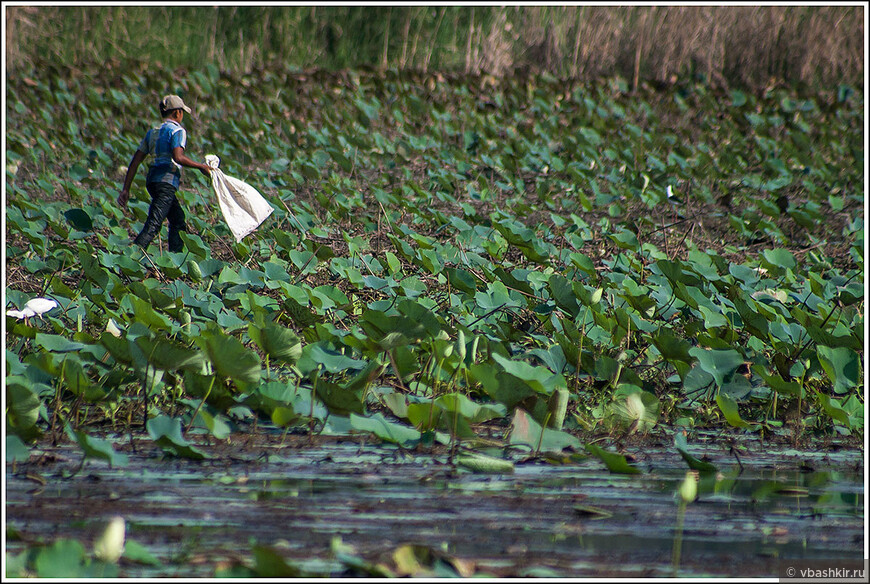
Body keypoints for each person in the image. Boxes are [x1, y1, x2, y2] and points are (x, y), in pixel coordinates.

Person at [118, 94, 210, 253]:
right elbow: (178, 157)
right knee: (153, 224)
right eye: (182, 112)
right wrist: (200, 166)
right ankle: (131, 254)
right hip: (166, 183)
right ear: (177, 113)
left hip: (152, 182)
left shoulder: (153, 132)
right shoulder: (177, 131)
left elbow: (135, 162)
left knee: (178, 220)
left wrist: (126, 189)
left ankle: (175, 257)